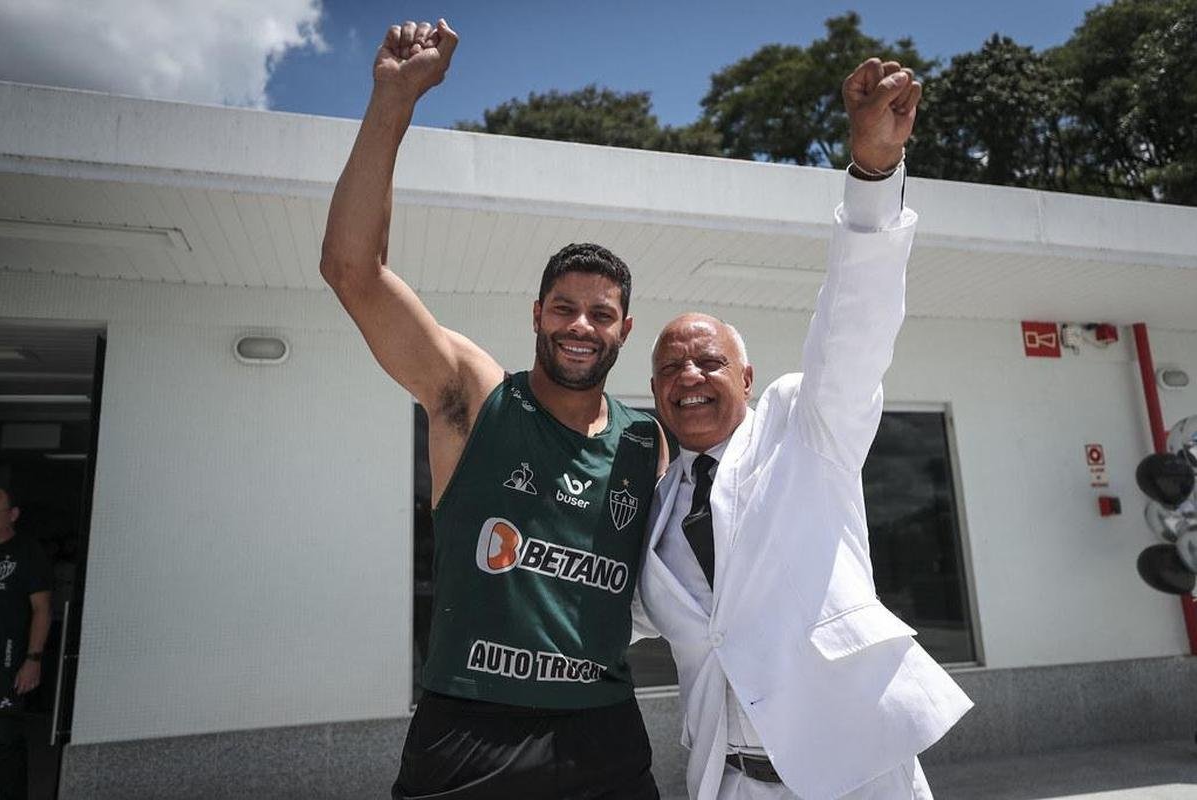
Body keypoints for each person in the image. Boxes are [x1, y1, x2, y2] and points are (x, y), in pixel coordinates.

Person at [320, 18, 669, 800]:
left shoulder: (647, 439)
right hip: (471, 729)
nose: (580, 326)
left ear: (624, 330)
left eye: (600, 313)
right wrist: (393, 100)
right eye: (564, 308)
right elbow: (352, 269)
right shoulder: (474, 397)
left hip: (604, 727)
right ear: (536, 313)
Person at [634, 59, 973, 799]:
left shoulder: (802, 424)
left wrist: (873, 176)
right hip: (728, 781)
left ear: (746, 379)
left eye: (707, 361)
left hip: (856, 776)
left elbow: (855, 323)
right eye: (668, 368)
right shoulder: (652, 507)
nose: (687, 377)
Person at [0, 487, 52, 800]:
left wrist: (33, 659)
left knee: (5, 738)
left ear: (13, 515)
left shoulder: (28, 552)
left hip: (9, 658)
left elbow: (42, 609)